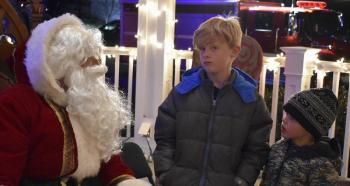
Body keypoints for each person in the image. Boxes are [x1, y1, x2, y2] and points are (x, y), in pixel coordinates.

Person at [0, 13, 151, 186]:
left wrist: (125, 181)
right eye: (85, 58)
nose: (97, 64)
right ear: (60, 64)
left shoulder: (87, 100)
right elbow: (5, 171)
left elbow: (109, 158)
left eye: (95, 56)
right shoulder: (19, 102)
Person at [153, 16, 273, 186]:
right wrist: (165, 173)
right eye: (202, 49)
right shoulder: (182, 93)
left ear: (234, 51)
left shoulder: (250, 100)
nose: (206, 54)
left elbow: (256, 149)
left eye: (214, 48)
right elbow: (165, 138)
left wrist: (242, 181)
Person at [260, 88, 342, 186]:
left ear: (310, 127)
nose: (284, 120)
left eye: (292, 118)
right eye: (287, 114)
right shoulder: (277, 149)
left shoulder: (321, 165)